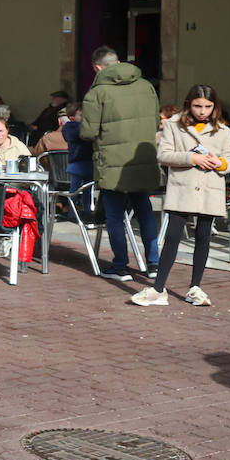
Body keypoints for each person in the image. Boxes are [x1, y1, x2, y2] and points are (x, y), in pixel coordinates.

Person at [132, 85, 230, 307]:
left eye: (208, 106)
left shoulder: (222, 129)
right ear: (189, 104)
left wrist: (222, 163)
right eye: (198, 105)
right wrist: (192, 158)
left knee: (203, 236)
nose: (203, 111)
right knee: (172, 238)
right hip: (183, 188)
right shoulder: (173, 124)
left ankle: (195, 287)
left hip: (210, 187)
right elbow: (164, 154)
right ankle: (159, 288)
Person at [80, 44, 161, 282]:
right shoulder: (146, 86)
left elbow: (88, 132)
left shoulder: (97, 92)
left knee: (114, 216)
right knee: (145, 211)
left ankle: (120, 265)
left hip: (112, 161)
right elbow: (155, 120)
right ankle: (154, 263)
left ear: (98, 67)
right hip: (142, 158)